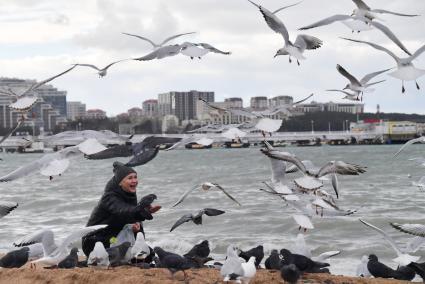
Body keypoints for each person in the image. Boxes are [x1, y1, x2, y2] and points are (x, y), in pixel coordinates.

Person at [82, 161, 161, 258]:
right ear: (120, 182)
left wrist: (137, 228)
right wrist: (141, 210)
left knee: (149, 254)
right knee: (118, 249)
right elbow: (123, 211)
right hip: (94, 241)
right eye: (130, 178)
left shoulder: (130, 196)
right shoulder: (109, 198)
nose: (134, 181)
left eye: (135, 177)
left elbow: (133, 218)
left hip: (115, 238)